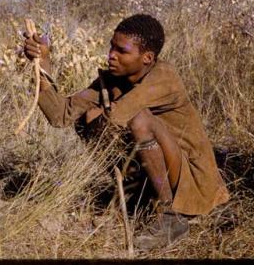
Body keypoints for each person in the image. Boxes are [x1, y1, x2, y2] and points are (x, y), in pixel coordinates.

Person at [23, 14, 229, 250]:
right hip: (163, 171)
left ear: (147, 58)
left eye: (122, 50)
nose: (111, 54)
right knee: (87, 120)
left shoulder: (164, 78)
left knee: (138, 120)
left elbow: (117, 117)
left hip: (192, 179)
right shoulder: (113, 79)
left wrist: (92, 113)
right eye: (112, 46)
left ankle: (170, 216)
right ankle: (139, 196)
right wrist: (42, 65)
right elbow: (60, 115)